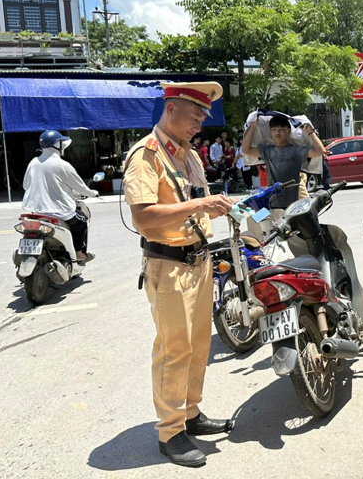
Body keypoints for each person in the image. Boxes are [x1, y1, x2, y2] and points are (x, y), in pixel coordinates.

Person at [123, 82, 236, 467]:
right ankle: (170, 431)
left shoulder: (188, 155)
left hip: (198, 261)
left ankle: (190, 412)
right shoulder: (146, 156)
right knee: (174, 349)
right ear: (171, 109)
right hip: (168, 265)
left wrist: (212, 209)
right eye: (194, 117)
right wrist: (201, 202)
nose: (199, 126)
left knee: (199, 343)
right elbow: (143, 217)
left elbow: (195, 206)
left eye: (203, 118)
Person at [22, 130, 98, 262]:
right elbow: (80, 187)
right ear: (57, 145)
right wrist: (93, 193)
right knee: (82, 222)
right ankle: (79, 254)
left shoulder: (33, 163)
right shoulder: (62, 165)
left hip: (38, 213)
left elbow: (25, 185)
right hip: (61, 214)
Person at [242, 114, 327, 211]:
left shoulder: (296, 150)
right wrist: (252, 127)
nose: (277, 133)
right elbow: (246, 150)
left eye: (281, 130)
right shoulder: (267, 150)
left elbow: (320, 151)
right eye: (274, 130)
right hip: (273, 202)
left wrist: (310, 132)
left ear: (288, 131)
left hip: (294, 203)